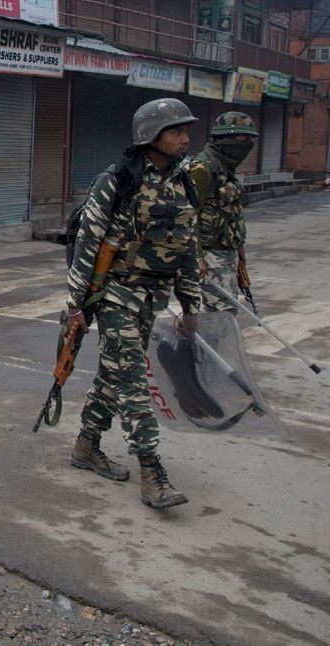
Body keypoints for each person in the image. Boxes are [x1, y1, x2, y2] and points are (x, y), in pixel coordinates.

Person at [66, 98, 202, 509]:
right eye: (176, 130)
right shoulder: (119, 179)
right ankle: (151, 469)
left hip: (152, 297)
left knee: (114, 374)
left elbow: (187, 249)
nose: (185, 138)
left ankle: (86, 445)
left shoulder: (183, 182)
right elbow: (87, 242)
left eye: (185, 130)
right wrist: (75, 304)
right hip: (115, 295)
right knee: (133, 381)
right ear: (152, 135)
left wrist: (190, 306)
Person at [187, 112, 257, 313]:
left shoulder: (225, 167)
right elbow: (188, 216)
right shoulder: (203, 168)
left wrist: (239, 249)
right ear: (226, 140)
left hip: (227, 252)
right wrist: (198, 257)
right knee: (219, 313)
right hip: (210, 255)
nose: (246, 147)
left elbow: (231, 214)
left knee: (227, 309)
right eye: (242, 141)